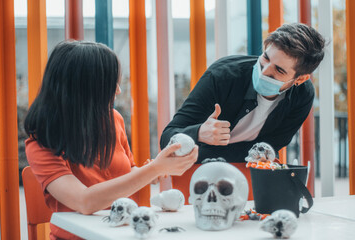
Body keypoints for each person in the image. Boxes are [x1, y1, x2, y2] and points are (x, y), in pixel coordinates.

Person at [24, 41, 198, 240]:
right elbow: (84, 202)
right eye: (110, 84)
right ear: (84, 88)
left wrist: (151, 171)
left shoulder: (114, 119)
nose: (118, 91)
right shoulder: (42, 142)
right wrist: (154, 169)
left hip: (124, 232)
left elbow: (128, 171)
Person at [160, 23, 325, 163]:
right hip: (197, 170)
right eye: (266, 58)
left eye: (279, 70)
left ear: (300, 79)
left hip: (248, 174)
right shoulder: (222, 76)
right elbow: (167, 138)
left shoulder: (303, 95)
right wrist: (199, 133)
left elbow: (269, 148)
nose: (264, 71)